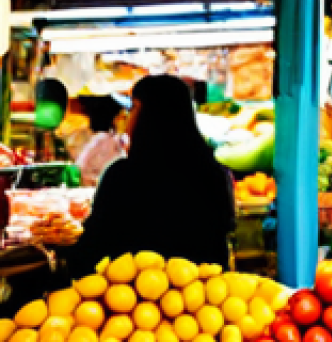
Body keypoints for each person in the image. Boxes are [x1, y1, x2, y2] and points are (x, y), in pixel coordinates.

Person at [70, 75, 235, 275]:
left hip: (131, 299)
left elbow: (92, 248)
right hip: (204, 298)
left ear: (149, 115)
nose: (127, 117)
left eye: (133, 108)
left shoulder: (122, 177)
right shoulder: (215, 176)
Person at [75, 95, 127, 186]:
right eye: (122, 116)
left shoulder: (121, 140)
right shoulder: (102, 140)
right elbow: (80, 167)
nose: (125, 119)